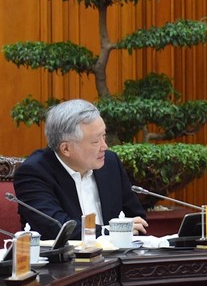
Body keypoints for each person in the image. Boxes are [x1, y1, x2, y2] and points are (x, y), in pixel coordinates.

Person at [14, 99, 148, 240]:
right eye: (96, 141)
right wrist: (109, 232)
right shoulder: (34, 172)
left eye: (104, 136)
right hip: (65, 260)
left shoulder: (109, 162)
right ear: (66, 148)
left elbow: (135, 217)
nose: (105, 146)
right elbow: (56, 227)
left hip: (117, 258)